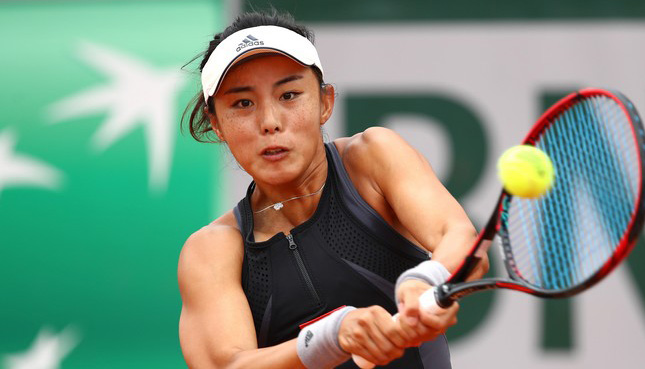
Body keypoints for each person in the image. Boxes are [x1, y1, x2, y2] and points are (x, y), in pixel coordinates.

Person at [177, 10, 488, 369]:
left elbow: (461, 240)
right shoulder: (211, 251)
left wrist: (424, 281)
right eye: (243, 103)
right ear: (216, 122)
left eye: (289, 95)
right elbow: (228, 365)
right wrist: (331, 336)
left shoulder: (373, 157)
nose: (270, 122)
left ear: (325, 102)